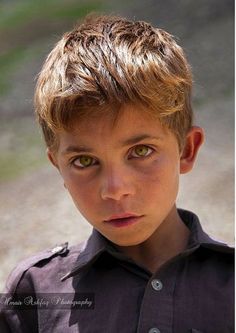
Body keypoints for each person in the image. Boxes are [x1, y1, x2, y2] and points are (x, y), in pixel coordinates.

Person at [0, 14, 234, 333]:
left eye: (140, 151)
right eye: (84, 161)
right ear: (59, 167)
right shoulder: (35, 293)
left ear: (187, 150)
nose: (115, 189)